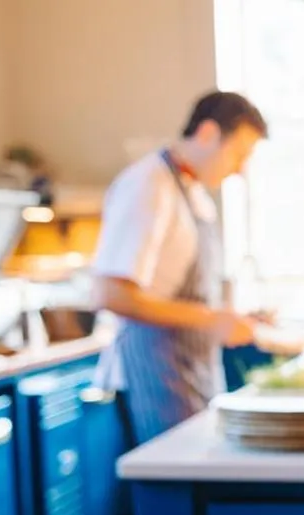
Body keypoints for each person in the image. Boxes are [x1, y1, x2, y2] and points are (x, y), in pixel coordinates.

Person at [91, 90, 269, 445]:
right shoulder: (148, 185)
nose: (240, 169)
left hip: (194, 373)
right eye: (238, 154)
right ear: (207, 134)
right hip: (155, 376)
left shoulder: (195, 193)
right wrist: (211, 319)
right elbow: (110, 294)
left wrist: (234, 317)